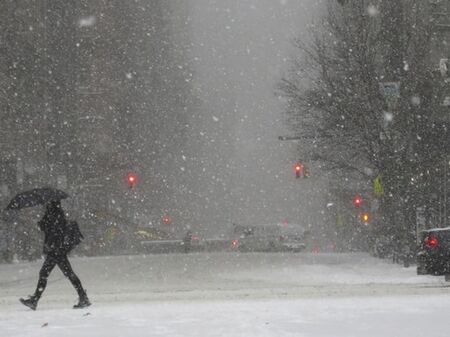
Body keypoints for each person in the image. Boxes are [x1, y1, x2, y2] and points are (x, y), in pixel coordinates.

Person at [19, 200, 91, 310]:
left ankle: (35, 300)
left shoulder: (54, 213)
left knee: (45, 273)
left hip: (55, 250)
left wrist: (43, 223)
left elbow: (52, 230)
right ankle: (83, 297)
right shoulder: (56, 213)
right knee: (67, 274)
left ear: (51, 203)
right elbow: (50, 229)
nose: (45, 204)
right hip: (58, 249)